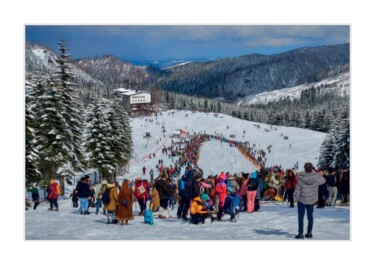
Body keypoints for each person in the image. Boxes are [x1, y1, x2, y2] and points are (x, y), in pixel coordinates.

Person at [294, 162, 326, 239]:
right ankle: (309, 232)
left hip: (302, 200)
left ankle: (301, 233)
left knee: (301, 217)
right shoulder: (316, 178)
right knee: (310, 217)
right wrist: (317, 173)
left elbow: (297, 190)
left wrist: (297, 199)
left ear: (304, 169)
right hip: (311, 200)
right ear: (312, 169)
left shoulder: (301, 178)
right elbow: (323, 180)